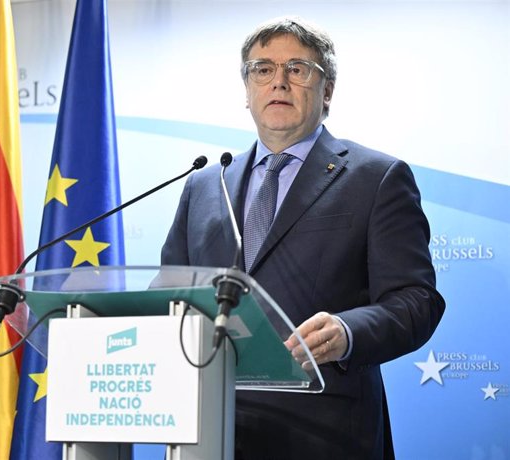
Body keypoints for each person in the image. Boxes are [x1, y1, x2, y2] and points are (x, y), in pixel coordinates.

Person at [161, 16, 445, 460]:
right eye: (263, 69)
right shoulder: (205, 183)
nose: (279, 82)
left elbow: (416, 300)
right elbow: (171, 293)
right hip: (209, 427)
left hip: (322, 431)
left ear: (326, 89)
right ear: (247, 90)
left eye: (297, 69)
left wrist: (349, 331)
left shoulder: (376, 177)